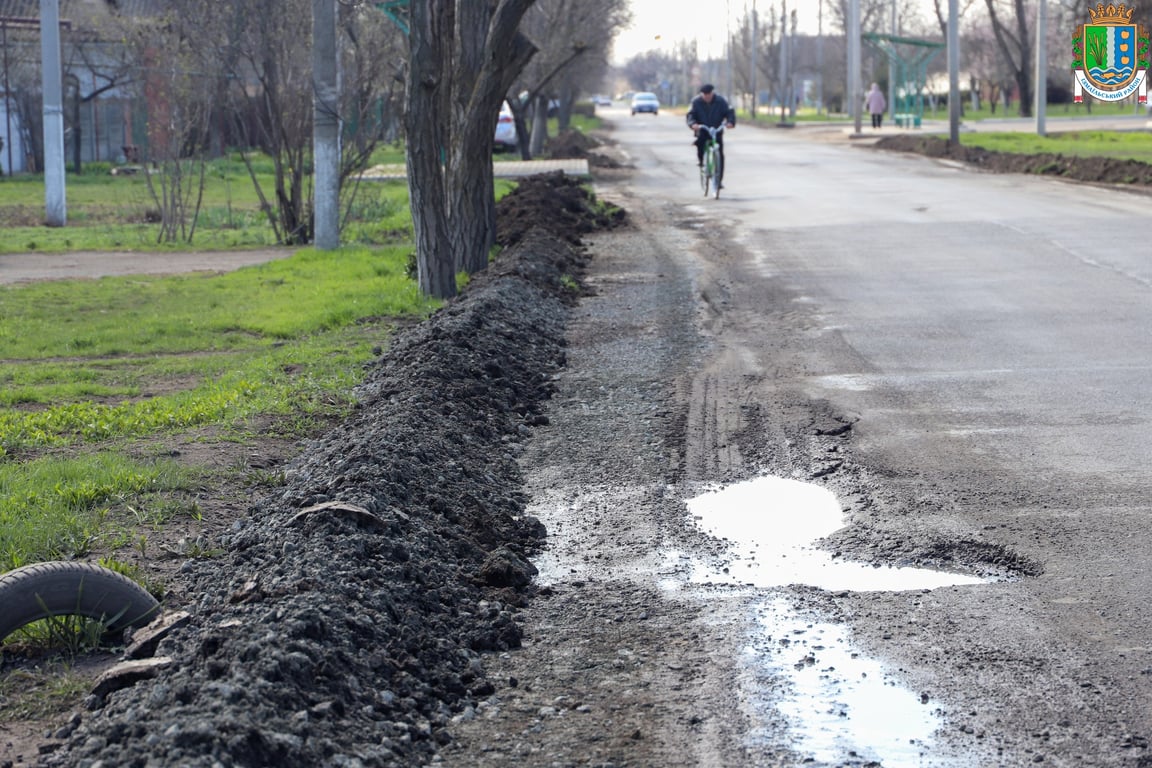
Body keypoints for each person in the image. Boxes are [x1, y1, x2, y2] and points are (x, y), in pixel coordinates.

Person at [686, 84, 736, 187]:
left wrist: (730, 122)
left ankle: (718, 180)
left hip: (716, 130)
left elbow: (729, 112)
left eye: (708, 94)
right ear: (701, 94)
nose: (707, 96)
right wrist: (693, 124)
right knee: (700, 144)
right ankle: (701, 161)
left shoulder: (720, 101)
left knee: (720, 154)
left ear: (712, 93)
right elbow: (690, 115)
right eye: (704, 94)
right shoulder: (696, 102)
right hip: (703, 129)